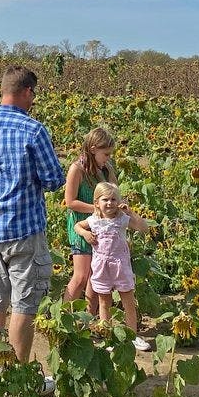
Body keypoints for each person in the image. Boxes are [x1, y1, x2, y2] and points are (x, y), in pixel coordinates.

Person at [0, 65, 66, 374]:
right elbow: (53, 179)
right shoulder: (33, 130)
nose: (33, 100)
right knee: (25, 303)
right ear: (26, 91)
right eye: (33, 94)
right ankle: (18, 376)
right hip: (24, 229)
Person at [74, 181, 154, 352]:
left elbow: (144, 228)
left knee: (128, 300)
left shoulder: (122, 219)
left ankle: (132, 336)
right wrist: (85, 234)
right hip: (101, 266)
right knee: (104, 302)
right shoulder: (94, 220)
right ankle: (108, 336)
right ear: (97, 202)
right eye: (105, 200)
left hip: (120, 266)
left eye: (113, 199)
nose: (109, 203)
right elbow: (77, 226)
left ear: (118, 201)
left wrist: (130, 212)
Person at [63, 127, 118, 314]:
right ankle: (63, 318)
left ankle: (89, 320)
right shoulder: (77, 169)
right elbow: (70, 202)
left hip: (101, 227)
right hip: (81, 226)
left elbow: (114, 192)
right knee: (81, 276)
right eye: (106, 154)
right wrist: (96, 209)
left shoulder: (106, 169)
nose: (108, 158)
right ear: (93, 149)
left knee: (96, 277)